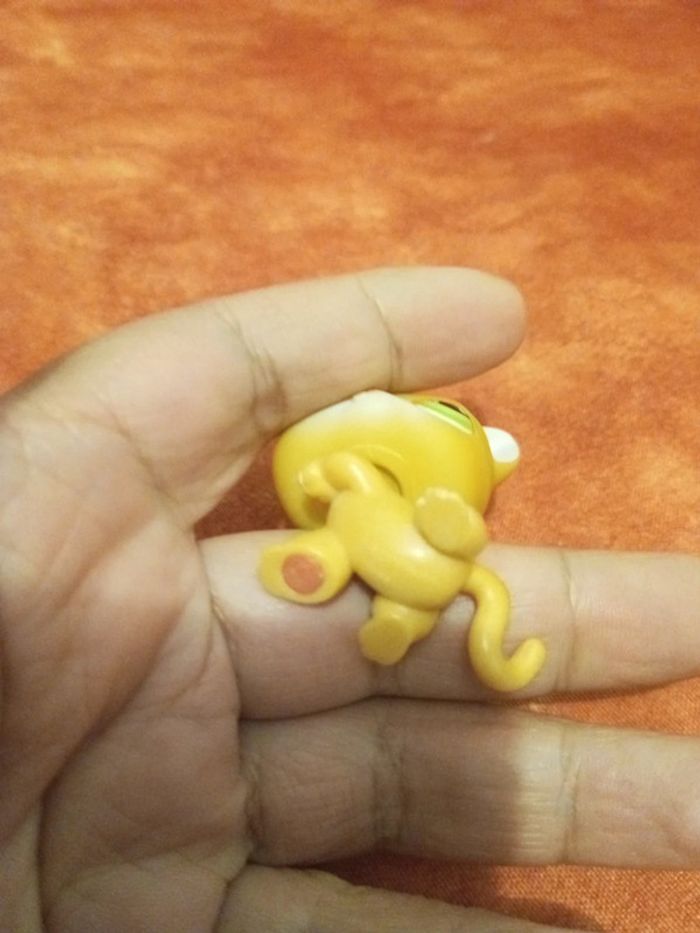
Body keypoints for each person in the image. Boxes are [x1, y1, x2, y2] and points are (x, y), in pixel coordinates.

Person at [0, 267, 697, 933]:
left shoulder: (360, 490)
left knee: (362, 566)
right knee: (352, 568)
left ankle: (385, 606)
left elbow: (345, 475)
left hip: (416, 550)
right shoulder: (362, 497)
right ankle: (380, 608)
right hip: (411, 559)